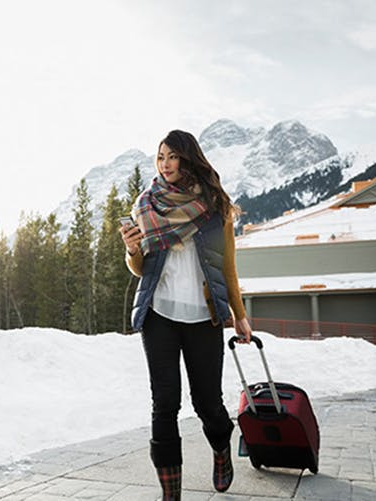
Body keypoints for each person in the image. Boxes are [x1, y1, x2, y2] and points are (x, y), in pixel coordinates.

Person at [121, 129, 252, 500]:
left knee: (207, 401)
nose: (164, 164)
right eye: (160, 157)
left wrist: (239, 315)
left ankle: (221, 450)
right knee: (164, 402)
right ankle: (171, 493)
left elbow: (228, 267)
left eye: (172, 157)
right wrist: (132, 251)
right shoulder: (146, 204)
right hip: (159, 313)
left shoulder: (213, 209)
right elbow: (139, 267)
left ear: (187, 159)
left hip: (203, 314)